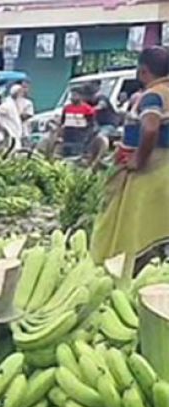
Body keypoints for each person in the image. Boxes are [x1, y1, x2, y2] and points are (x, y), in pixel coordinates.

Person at [92, 47, 169, 272]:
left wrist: (138, 159)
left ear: (143, 71)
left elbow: (151, 128)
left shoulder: (154, 95)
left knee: (135, 224)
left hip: (153, 172)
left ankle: (131, 269)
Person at [59, 86, 95, 156]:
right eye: (72, 95)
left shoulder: (87, 109)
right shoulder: (67, 108)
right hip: (67, 136)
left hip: (80, 137)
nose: (72, 97)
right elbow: (62, 122)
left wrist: (86, 138)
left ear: (81, 96)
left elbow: (91, 124)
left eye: (75, 95)